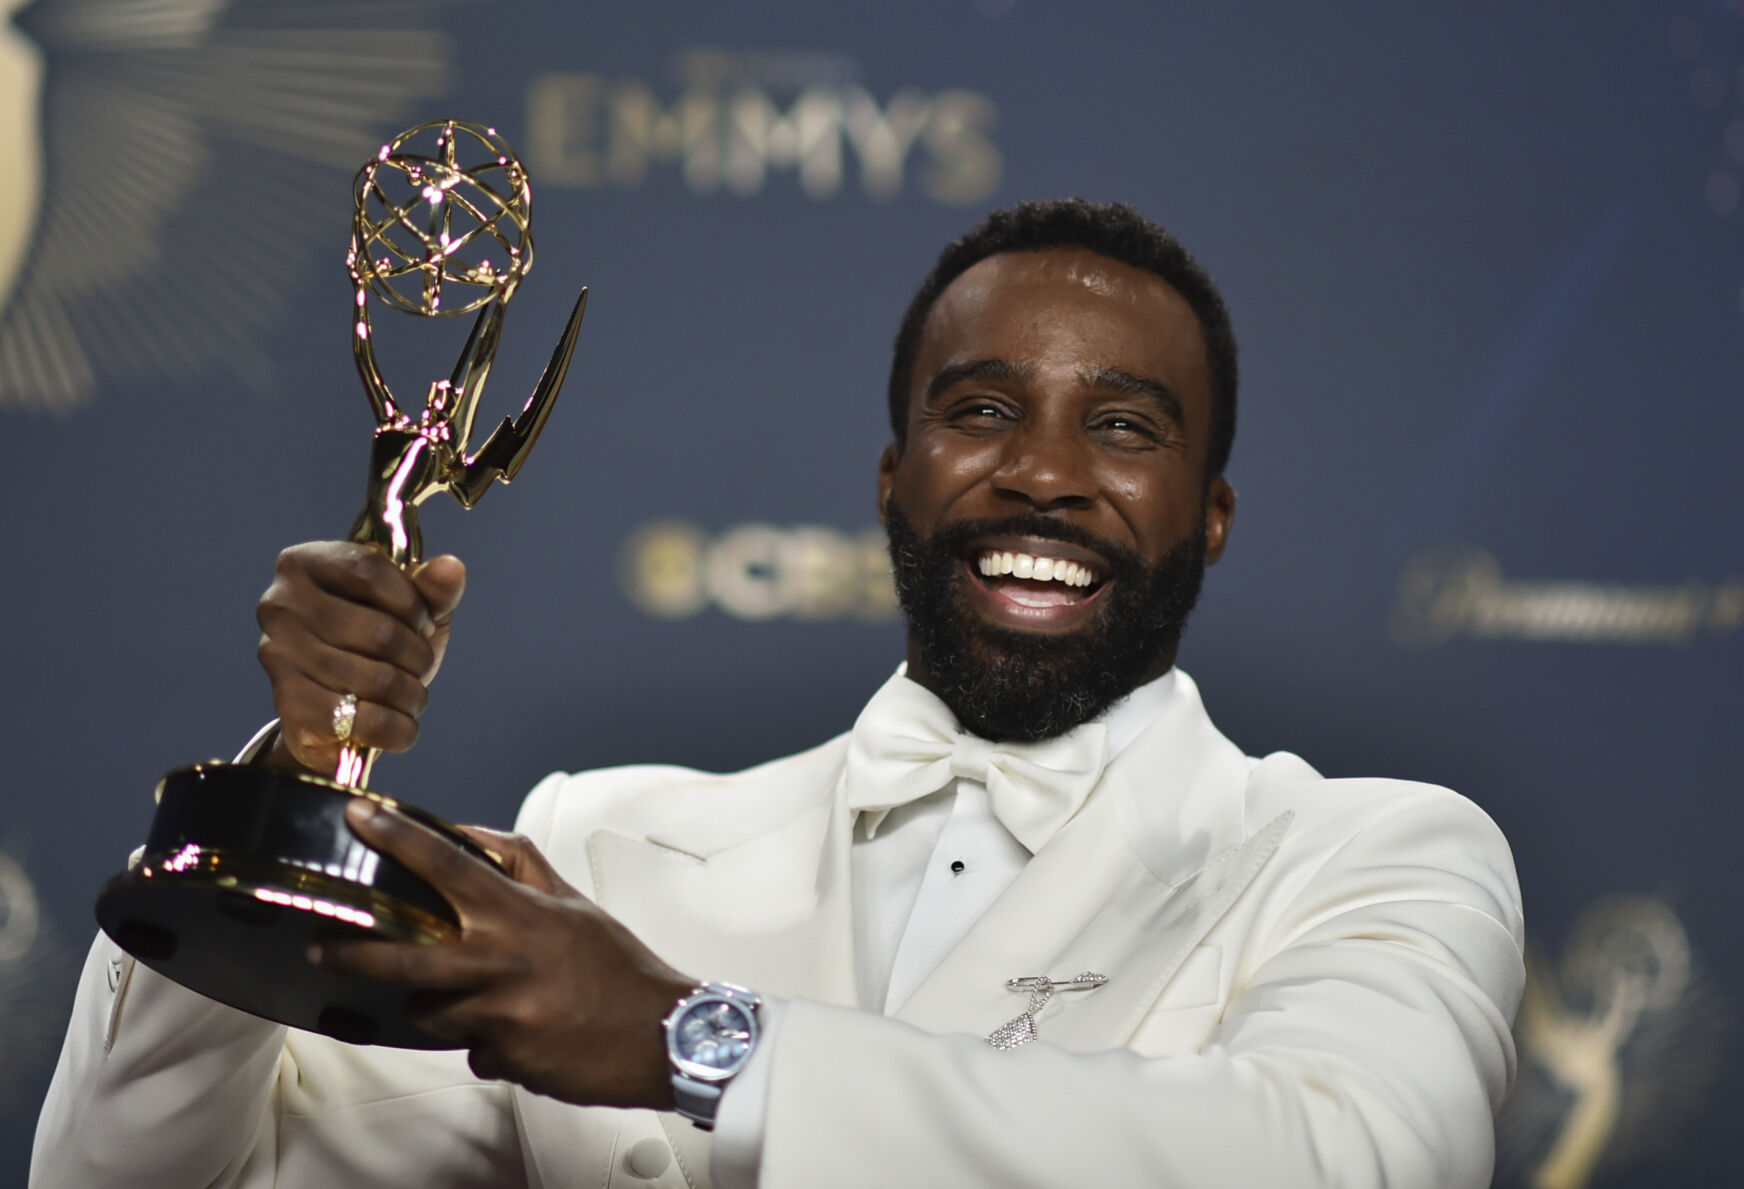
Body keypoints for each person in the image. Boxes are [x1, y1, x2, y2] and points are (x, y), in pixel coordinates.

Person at [32, 199, 1524, 1188]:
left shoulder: (1374, 856)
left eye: (1124, 426)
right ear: (896, 479)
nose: (1046, 472)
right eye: (983, 409)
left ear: (1211, 514)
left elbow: (1348, 1159)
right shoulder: (602, 850)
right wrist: (300, 788)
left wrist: (696, 1038)